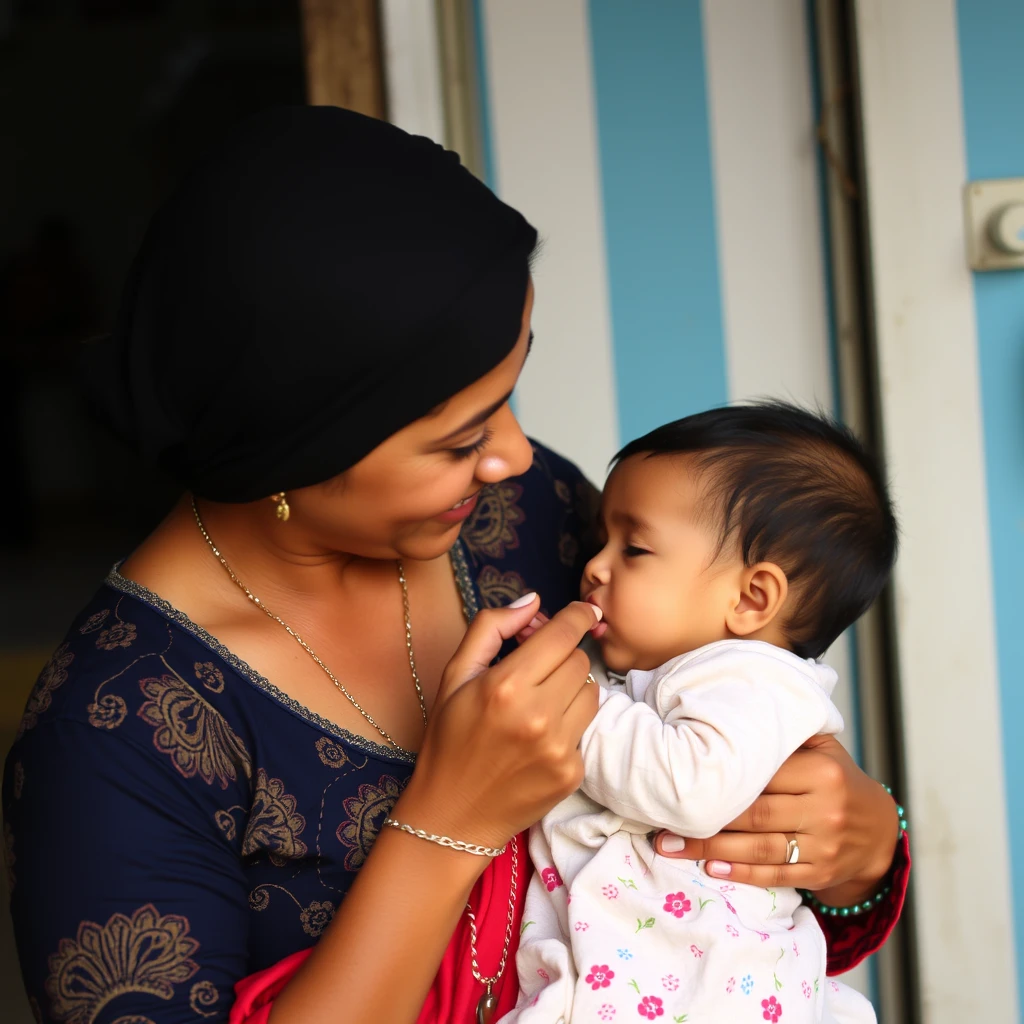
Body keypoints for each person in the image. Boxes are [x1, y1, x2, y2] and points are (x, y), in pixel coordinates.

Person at [1, 108, 908, 1024]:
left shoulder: (524, 519)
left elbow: (706, 915)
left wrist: (861, 847)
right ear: (289, 446)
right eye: (461, 437)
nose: (515, 453)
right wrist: (449, 824)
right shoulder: (116, 737)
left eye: (509, 396)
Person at [506, 403, 903, 1023]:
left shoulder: (756, 680)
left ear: (751, 598)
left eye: (633, 548)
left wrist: (572, 698)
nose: (593, 567)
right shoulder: (673, 671)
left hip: (715, 986)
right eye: (599, 542)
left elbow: (688, 787)